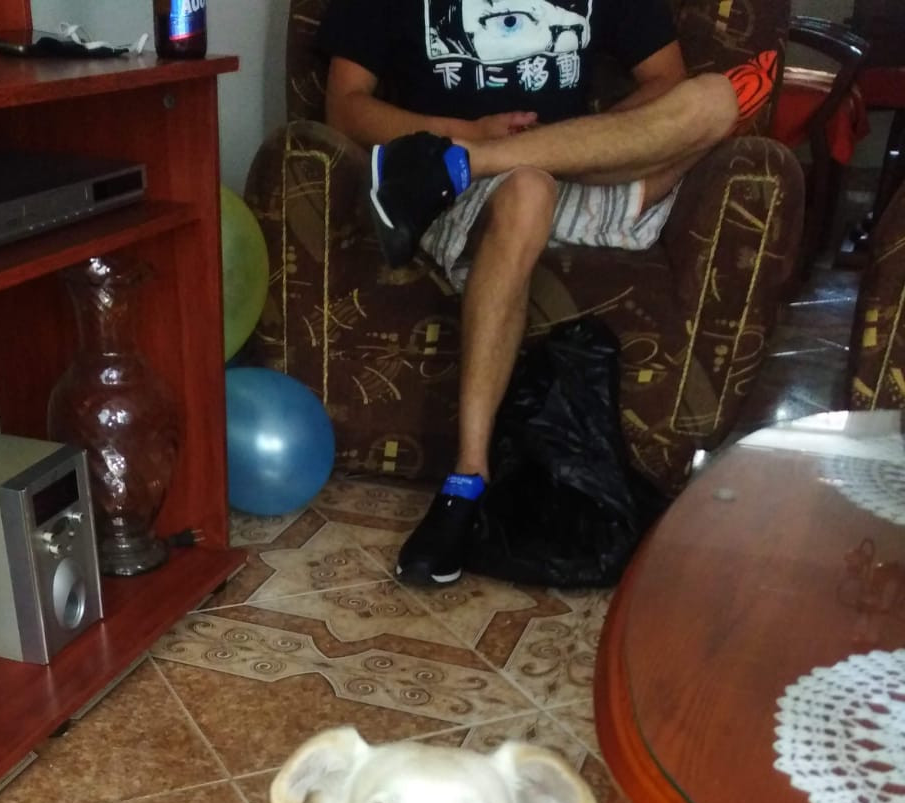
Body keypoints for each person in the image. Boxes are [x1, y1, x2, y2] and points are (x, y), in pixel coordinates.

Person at [317, 0, 774, 586]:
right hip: (475, 196)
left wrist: (570, 143)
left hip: (577, 167)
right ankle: (466, 480)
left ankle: (457, 164)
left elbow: (666, 78)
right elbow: (345, 105)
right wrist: (467, 134)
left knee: (714, 98)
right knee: (528, 189)